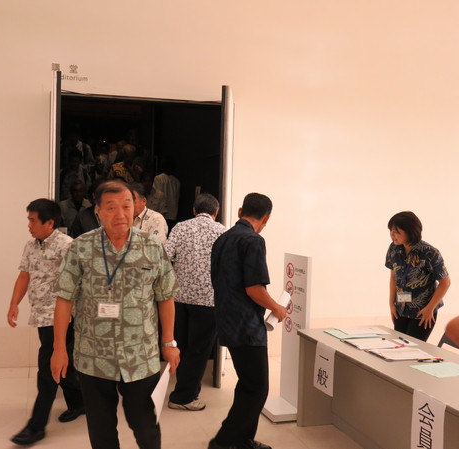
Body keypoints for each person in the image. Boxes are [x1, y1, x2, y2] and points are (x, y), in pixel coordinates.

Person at [50, 180, 180, 449]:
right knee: (101, 431)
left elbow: (165, 297)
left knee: (146, 428)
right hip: (93, 356)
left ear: (136, 207)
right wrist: (59, 348)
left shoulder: (152, 247)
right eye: (111, 207)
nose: (120, 214)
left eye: (126, 206)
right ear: (97, 211)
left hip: (140, 355)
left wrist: (168, 342)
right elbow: (64, 298)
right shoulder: (81, 248)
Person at [209, 193, 286, 449]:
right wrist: (277, 307)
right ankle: (224, 442)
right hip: (246, 327)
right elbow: (254, 288)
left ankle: (243, 441)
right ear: (266, 218)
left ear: (241, 211)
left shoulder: (223, 238)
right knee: (257, 389)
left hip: (227, 320)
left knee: (247, 385)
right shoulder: (253, 240)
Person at [7, 199, 84, 446]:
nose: (29, 225)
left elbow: (80, 282)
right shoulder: (30, 245)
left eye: (33, 220)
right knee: (62, 363)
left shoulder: (67, 245)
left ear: (50, 223)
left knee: (48, 369)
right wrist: (14, 303)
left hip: (61, 317)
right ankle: (79, 403)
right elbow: (24, 275)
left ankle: (36, 426)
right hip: (41, 316)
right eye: (28, 220)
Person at [165, 193, 225, 412]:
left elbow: (165, 256)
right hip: (208, 300)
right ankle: (184, 397)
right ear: (216, 212)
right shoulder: (222, 232)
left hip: (179, 299)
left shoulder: (180, 228)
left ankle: (185, 389)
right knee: (199, 351)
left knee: (181, 346)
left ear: (193, 210)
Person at [386, 211, 451, 342]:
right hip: (401, 308)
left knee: (412, 348)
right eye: (391, 231)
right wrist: (391, 304)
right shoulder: (394, 248)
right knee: (398, 346)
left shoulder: (430, 252)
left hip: (423, 311)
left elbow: (445, 282)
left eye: (397, 232)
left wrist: (430, 309)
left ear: (410, 232)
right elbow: (393, 277)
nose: (392, 235)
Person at [152, 157, 180, 229]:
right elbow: (177, 197)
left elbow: (156, 195)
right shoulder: (176, 181)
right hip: (173, 212)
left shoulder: (158, 178)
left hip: (160, 212)